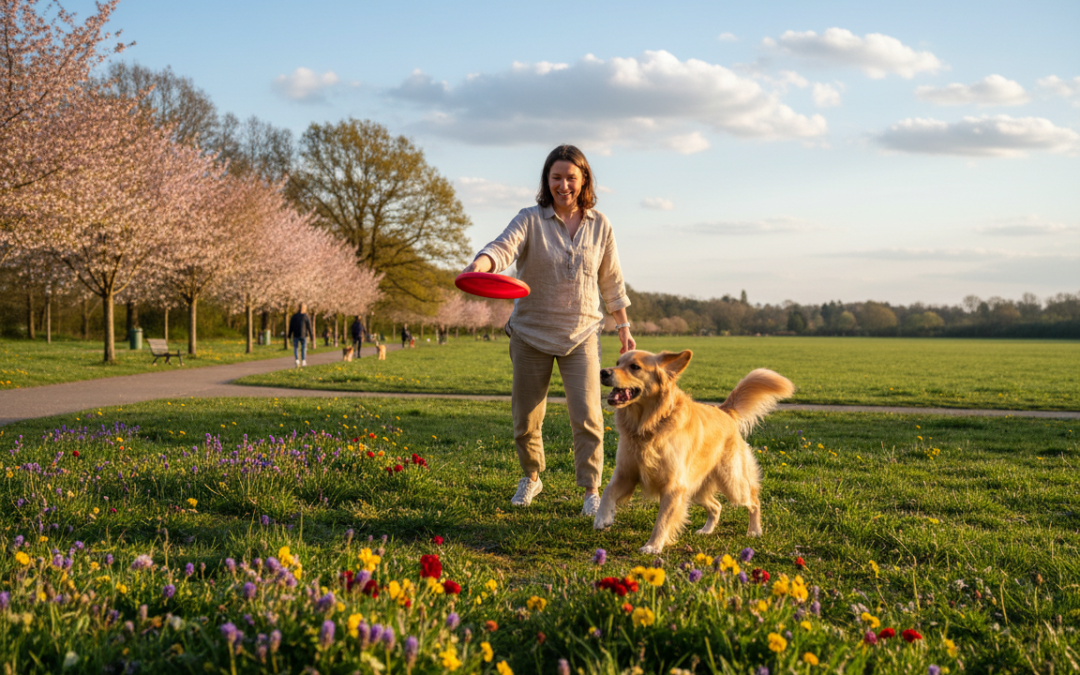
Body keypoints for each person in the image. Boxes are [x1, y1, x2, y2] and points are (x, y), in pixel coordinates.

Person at [461, 145, 635, 516]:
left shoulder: (600, 225)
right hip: (530, 334)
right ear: (547, 180)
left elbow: (612, 282)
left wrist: (623, 327)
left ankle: (591, 490)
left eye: (571, 177)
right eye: (556, 177)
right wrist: (481, 265)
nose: (564, 185)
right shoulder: (529, 219)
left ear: (584, 179)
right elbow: (502, 248)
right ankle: (531, 477)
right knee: (526, 417)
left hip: (581, 335)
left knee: (588, 415)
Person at [288, 303, 314, 367]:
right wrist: (311, 336)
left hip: (296, 334)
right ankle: (303, 360)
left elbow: (291, 326)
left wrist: (289, 334)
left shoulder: (294, 317)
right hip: (303, 335)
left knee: (296, 348)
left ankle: (297, 359)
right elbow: (309, 327)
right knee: (303, 348)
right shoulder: (306, 317)